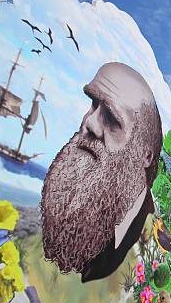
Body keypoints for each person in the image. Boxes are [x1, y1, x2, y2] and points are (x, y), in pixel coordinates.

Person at [41, 62, 163, 282]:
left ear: (145, 155)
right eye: (93, 104)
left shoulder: (146, 229)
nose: (89, 123)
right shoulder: (91, 199)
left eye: (113, 119)